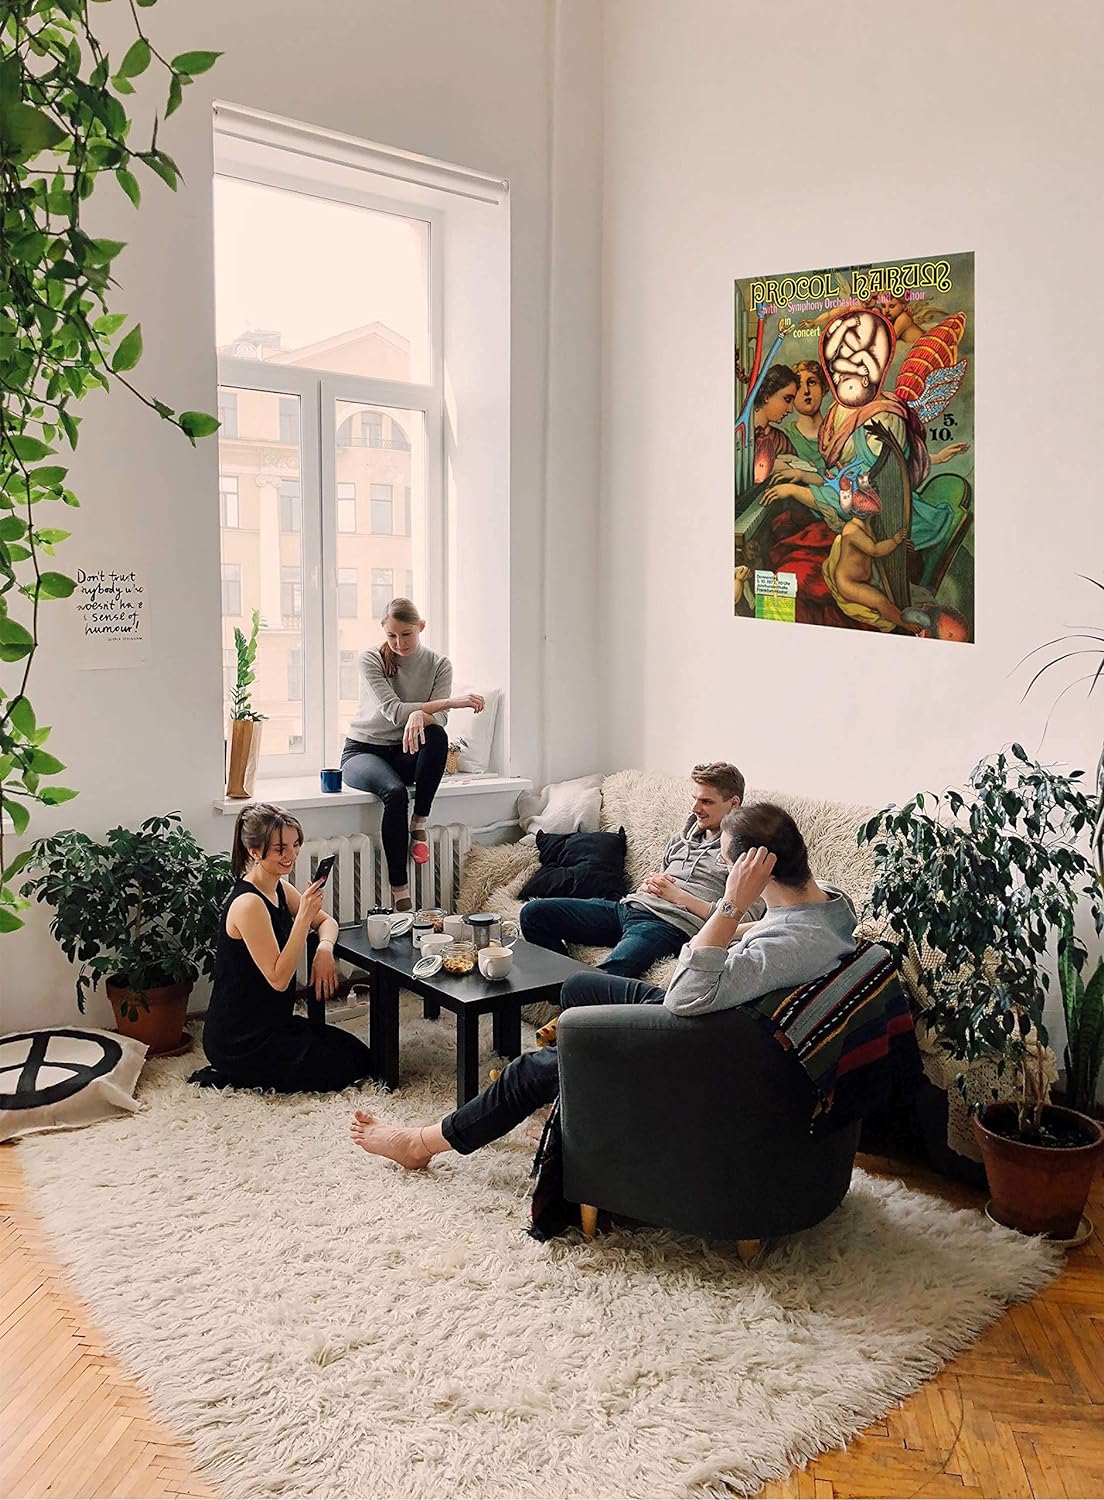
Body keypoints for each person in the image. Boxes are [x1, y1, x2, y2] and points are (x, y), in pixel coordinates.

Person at [348, 802, 854, 1169]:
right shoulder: (829, 905)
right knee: (579, 988)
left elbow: (685, 994)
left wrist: (730, 905)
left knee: (531, 1067)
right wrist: (739, 925)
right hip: (719, 1006)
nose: (722, 866)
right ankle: (571, 1089)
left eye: (725, 860)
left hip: (700, 1037)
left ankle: (421, 1143)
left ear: (755, 868)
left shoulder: (783, 947)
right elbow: (768, 935)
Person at [194, 804, 374, 1093]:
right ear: (254, 851)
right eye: (281, 849)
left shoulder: (279, 887)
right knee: (343, 1070)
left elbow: (326, 922)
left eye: (295, 845)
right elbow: (278, 979)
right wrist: (302, 918)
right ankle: (233, 1072)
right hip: (241, 1039)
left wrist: (324, 950)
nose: (291, 855)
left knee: (360, 1056)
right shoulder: (249, 904)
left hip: (275, 1023)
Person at [520, 762, 754, 979]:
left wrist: (680, 897)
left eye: (706, 802)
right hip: (628, 908)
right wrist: (649, 885)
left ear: (734, 803)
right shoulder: (680, 839)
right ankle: (561, 990)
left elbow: (741, 918)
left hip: (667, 926)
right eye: (694, 799)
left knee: (608, 976)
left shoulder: (745, 854)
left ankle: (574, 998)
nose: (695, 808)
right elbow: (663, 878)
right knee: (534, 914)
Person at [341, 597, 485, 910]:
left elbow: (439, 721)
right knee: (394, 794)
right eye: (392, 635)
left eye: (406, 634)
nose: (399, 643)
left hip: (404, 751)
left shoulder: (439, 665)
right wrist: (450, 702)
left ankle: (419, 820)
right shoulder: (371, 659)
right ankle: (400, 891)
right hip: (364, 751)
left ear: (421, 627)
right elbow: (394, 712)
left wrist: (422, 714)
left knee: (437, 735)